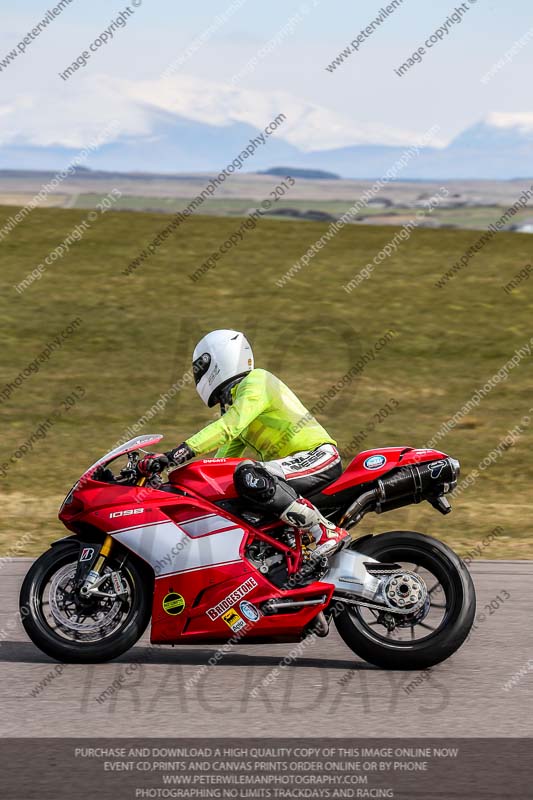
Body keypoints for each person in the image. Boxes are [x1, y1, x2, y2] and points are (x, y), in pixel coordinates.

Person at [138, 329, 349, 558]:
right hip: (291, 468)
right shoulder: (242, 404)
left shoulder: (257, 380)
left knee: (248, 473)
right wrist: (180, 489)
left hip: (316, 456)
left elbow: (229, 426)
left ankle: (325, 531)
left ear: (217, 359)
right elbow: (221, 463)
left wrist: (175, 455)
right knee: (236, 486)